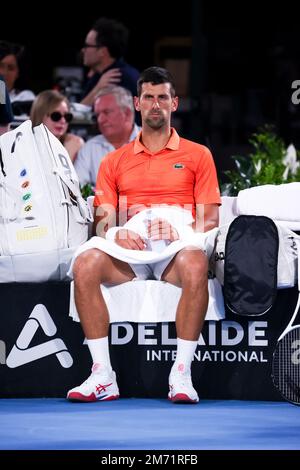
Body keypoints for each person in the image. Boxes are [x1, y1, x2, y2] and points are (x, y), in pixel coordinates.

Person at [67, 66, 221, 404]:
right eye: (148, 98)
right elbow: (103, 220)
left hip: (176, 248)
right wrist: (117, 233)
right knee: (86, 263)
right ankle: (103, 375)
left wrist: (180, 229)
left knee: (196, 263)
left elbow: (210, 217)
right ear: (137, 103)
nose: (155, 104)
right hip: (131, 249)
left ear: (174, 103)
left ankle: (181, 373)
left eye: (162, 97)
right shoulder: (113, 161)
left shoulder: (198, 154)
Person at [74, 85, 140, 186]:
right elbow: (78, 190)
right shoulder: (89, 148)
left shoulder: (153, 142)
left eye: (106, 112)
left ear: (127, 113)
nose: (100, 120)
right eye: (97, 115)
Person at [80, 17, 139, 108]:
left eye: (87, 46)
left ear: (102, 51)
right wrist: (97, 89)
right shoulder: (98, 77)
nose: (83, 50)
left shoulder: (120, 78)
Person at [30, 90, 84, 162]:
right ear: (40, 116)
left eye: (67, 116)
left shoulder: (74, 144)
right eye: (56, 116)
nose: (63, 121)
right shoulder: (24, 145)